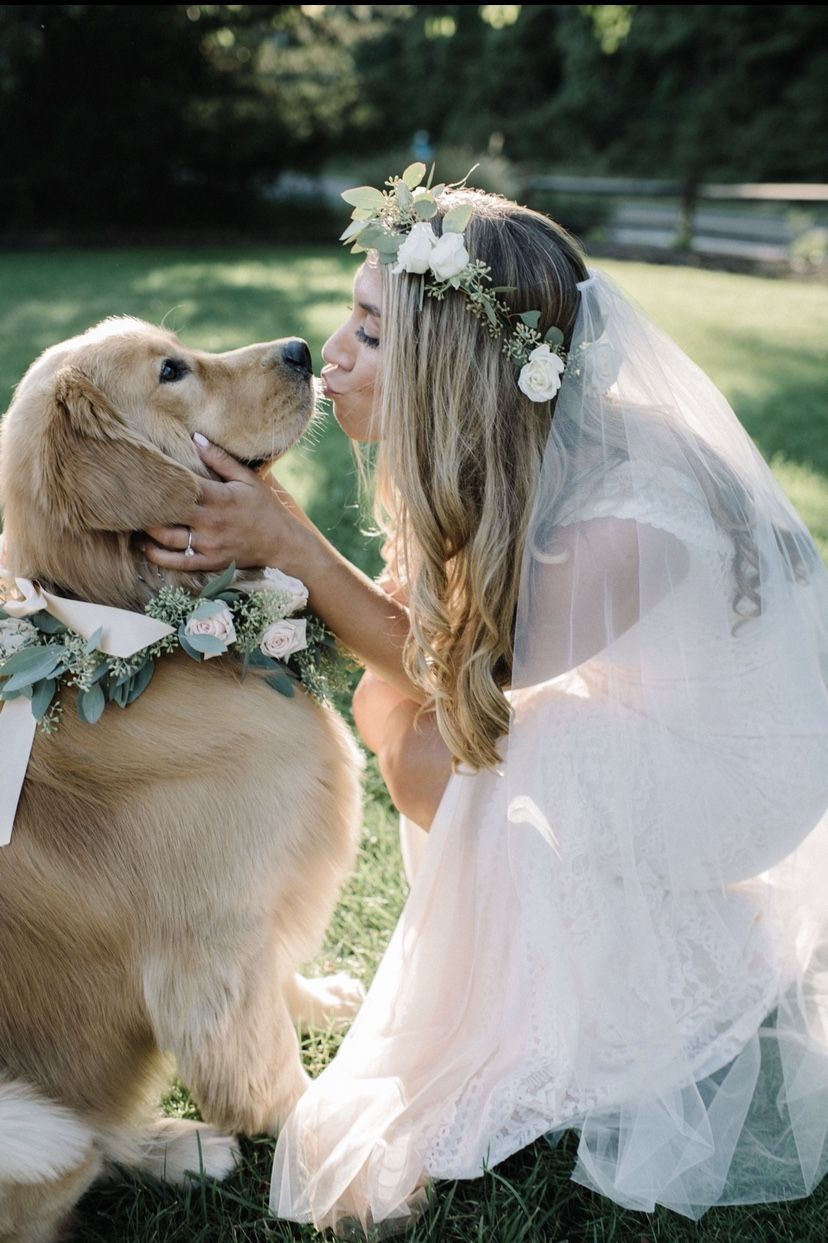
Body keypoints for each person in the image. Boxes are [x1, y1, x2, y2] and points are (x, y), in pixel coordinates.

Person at [144, 170, 828, 1238]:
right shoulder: (499, 451)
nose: (334, 352)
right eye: (353, 316)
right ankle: (632, 939)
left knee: (460, 744)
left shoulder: (638, 515)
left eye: (373, 334)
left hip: (741, 779)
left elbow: (455, 670)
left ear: (457, 369)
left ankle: (654, 964)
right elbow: (416, 656)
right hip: (656, 725)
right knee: (406, 728)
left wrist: (288, 542)